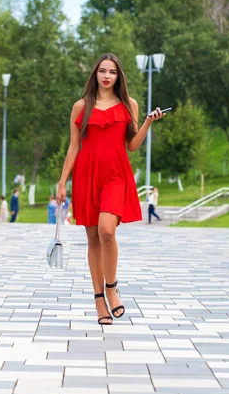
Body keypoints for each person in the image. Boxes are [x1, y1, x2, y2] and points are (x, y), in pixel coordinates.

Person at [57, 53, 165, 325]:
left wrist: (149, 122)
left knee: (107, 230)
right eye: (102, 71)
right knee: (92, 237)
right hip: (86, 174)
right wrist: (62, 182)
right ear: (95, 74)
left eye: (112, 72)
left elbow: (132, 145)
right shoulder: (81, 106)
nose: (107, 76)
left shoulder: (129, 105)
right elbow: (73, 147)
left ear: (119, 76)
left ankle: (112, 288)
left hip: (116, 174)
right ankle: (98, 302)